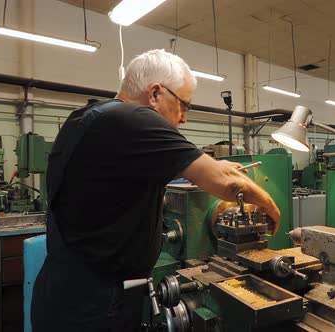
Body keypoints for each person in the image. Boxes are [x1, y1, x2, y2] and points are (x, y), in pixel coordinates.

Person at [31, 49, 281, 331]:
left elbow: (136, 171)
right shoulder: (135, 118)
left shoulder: (88, 117)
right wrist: (269, 206)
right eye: (184, 105)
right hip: (95, 308)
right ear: (155, 93)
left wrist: (208, 165)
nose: (184, 118)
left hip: (64, 293)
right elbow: (227, 184)